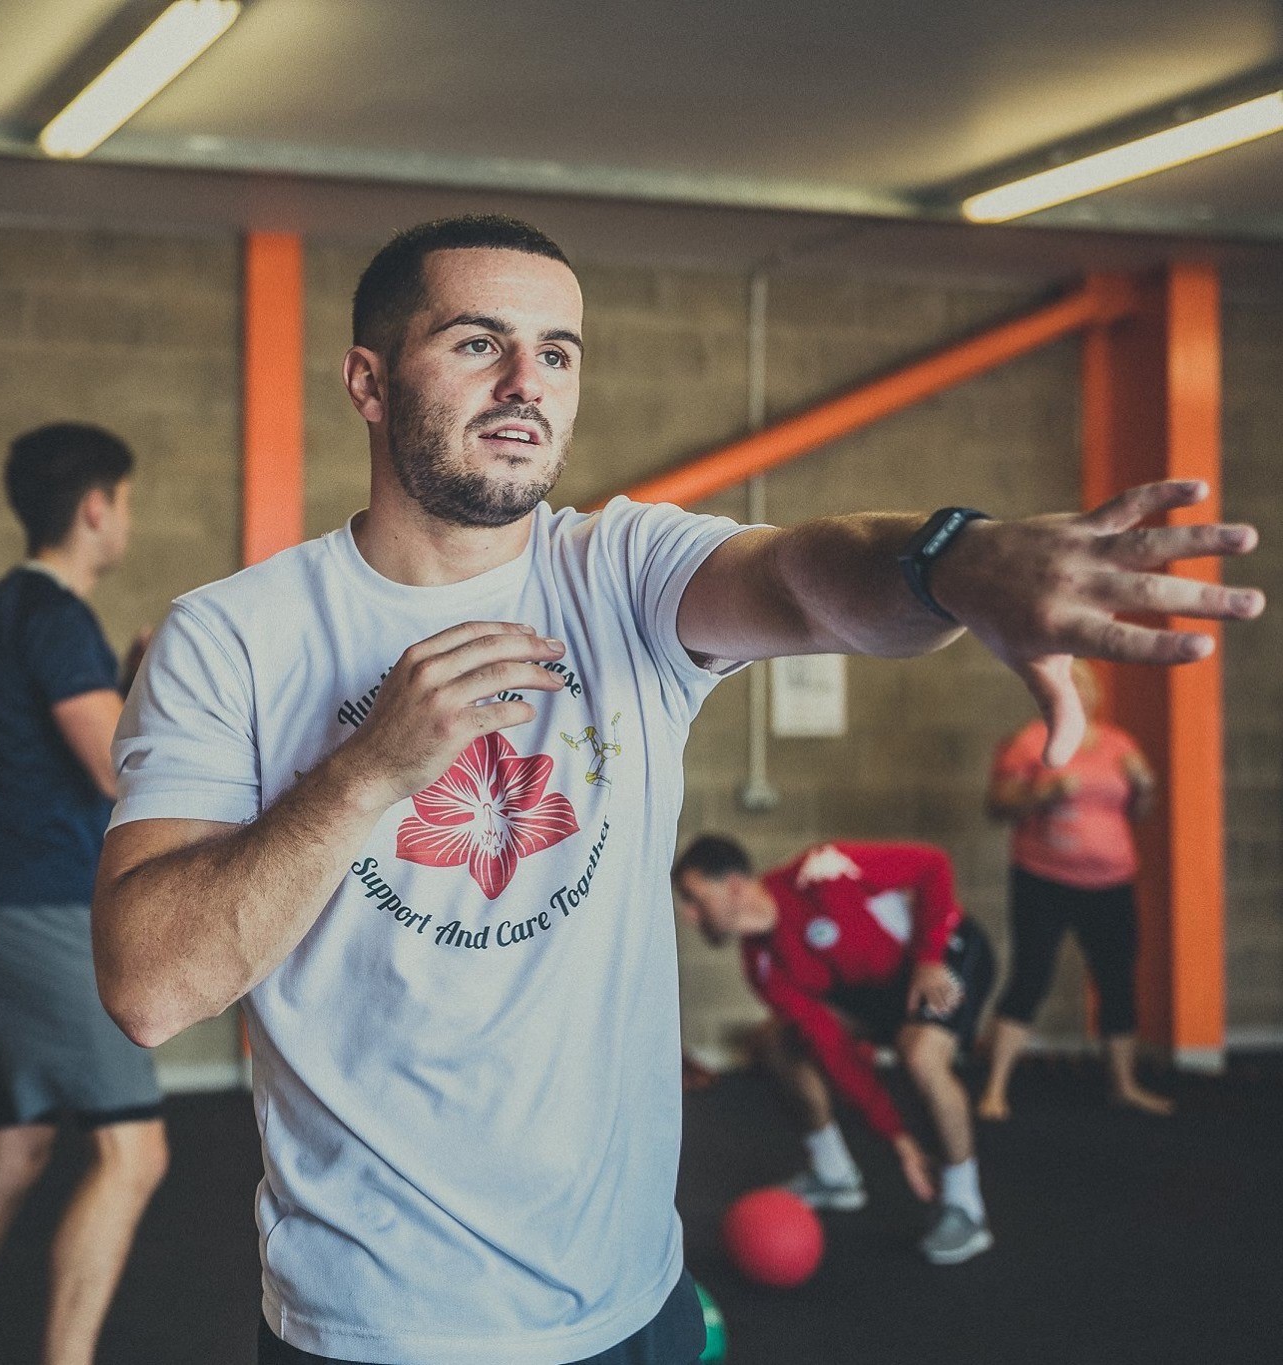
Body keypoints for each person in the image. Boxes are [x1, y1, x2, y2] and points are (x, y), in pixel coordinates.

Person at [88, 214, 1261, 1365]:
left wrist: (950, 560)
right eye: (476, 342)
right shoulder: (232, 638)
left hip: (630, 1295)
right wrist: (365, 775)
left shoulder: (615, 570)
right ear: (368, 381)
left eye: (556, 352)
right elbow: (148, 988)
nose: (525, 382)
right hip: (379, 1324)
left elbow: (803, 578)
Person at [0, 424, 167, 1365]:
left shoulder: (4, 608)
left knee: (16, 1152)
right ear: (96, 507)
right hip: (41, 911)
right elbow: (116, 769)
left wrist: (125, 682)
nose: (125, 518)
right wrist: (162, 692)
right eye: (124, 501)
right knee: (135, 1153)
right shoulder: (54, 617)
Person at [672, 835, 996, 1264]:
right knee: (773, 1042)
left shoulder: (822, 872)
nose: (689, 916)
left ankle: (964, 1206)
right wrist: (897, 1137)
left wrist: (929, 958)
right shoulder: (762, 965)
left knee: (920, 1055)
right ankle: (833, 1173)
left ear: (733, 886)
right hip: (877, 991)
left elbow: (932, 864)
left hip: (943, 952)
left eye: (694, 898)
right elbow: (833, 1048)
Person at [978, 660, 1171, 1119]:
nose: (1076, 690)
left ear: (1094, 695)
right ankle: (994, 1090)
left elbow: (1139, 811)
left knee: (1117, 982)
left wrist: (1144, 786)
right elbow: (997, 805)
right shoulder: (1031, 741)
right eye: (1067, 682)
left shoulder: (1119, 743)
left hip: (1111, 883)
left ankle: (1124, 1086)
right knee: (1030, 977)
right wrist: (1044, 793)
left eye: (1083, 683)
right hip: (1042, 879)